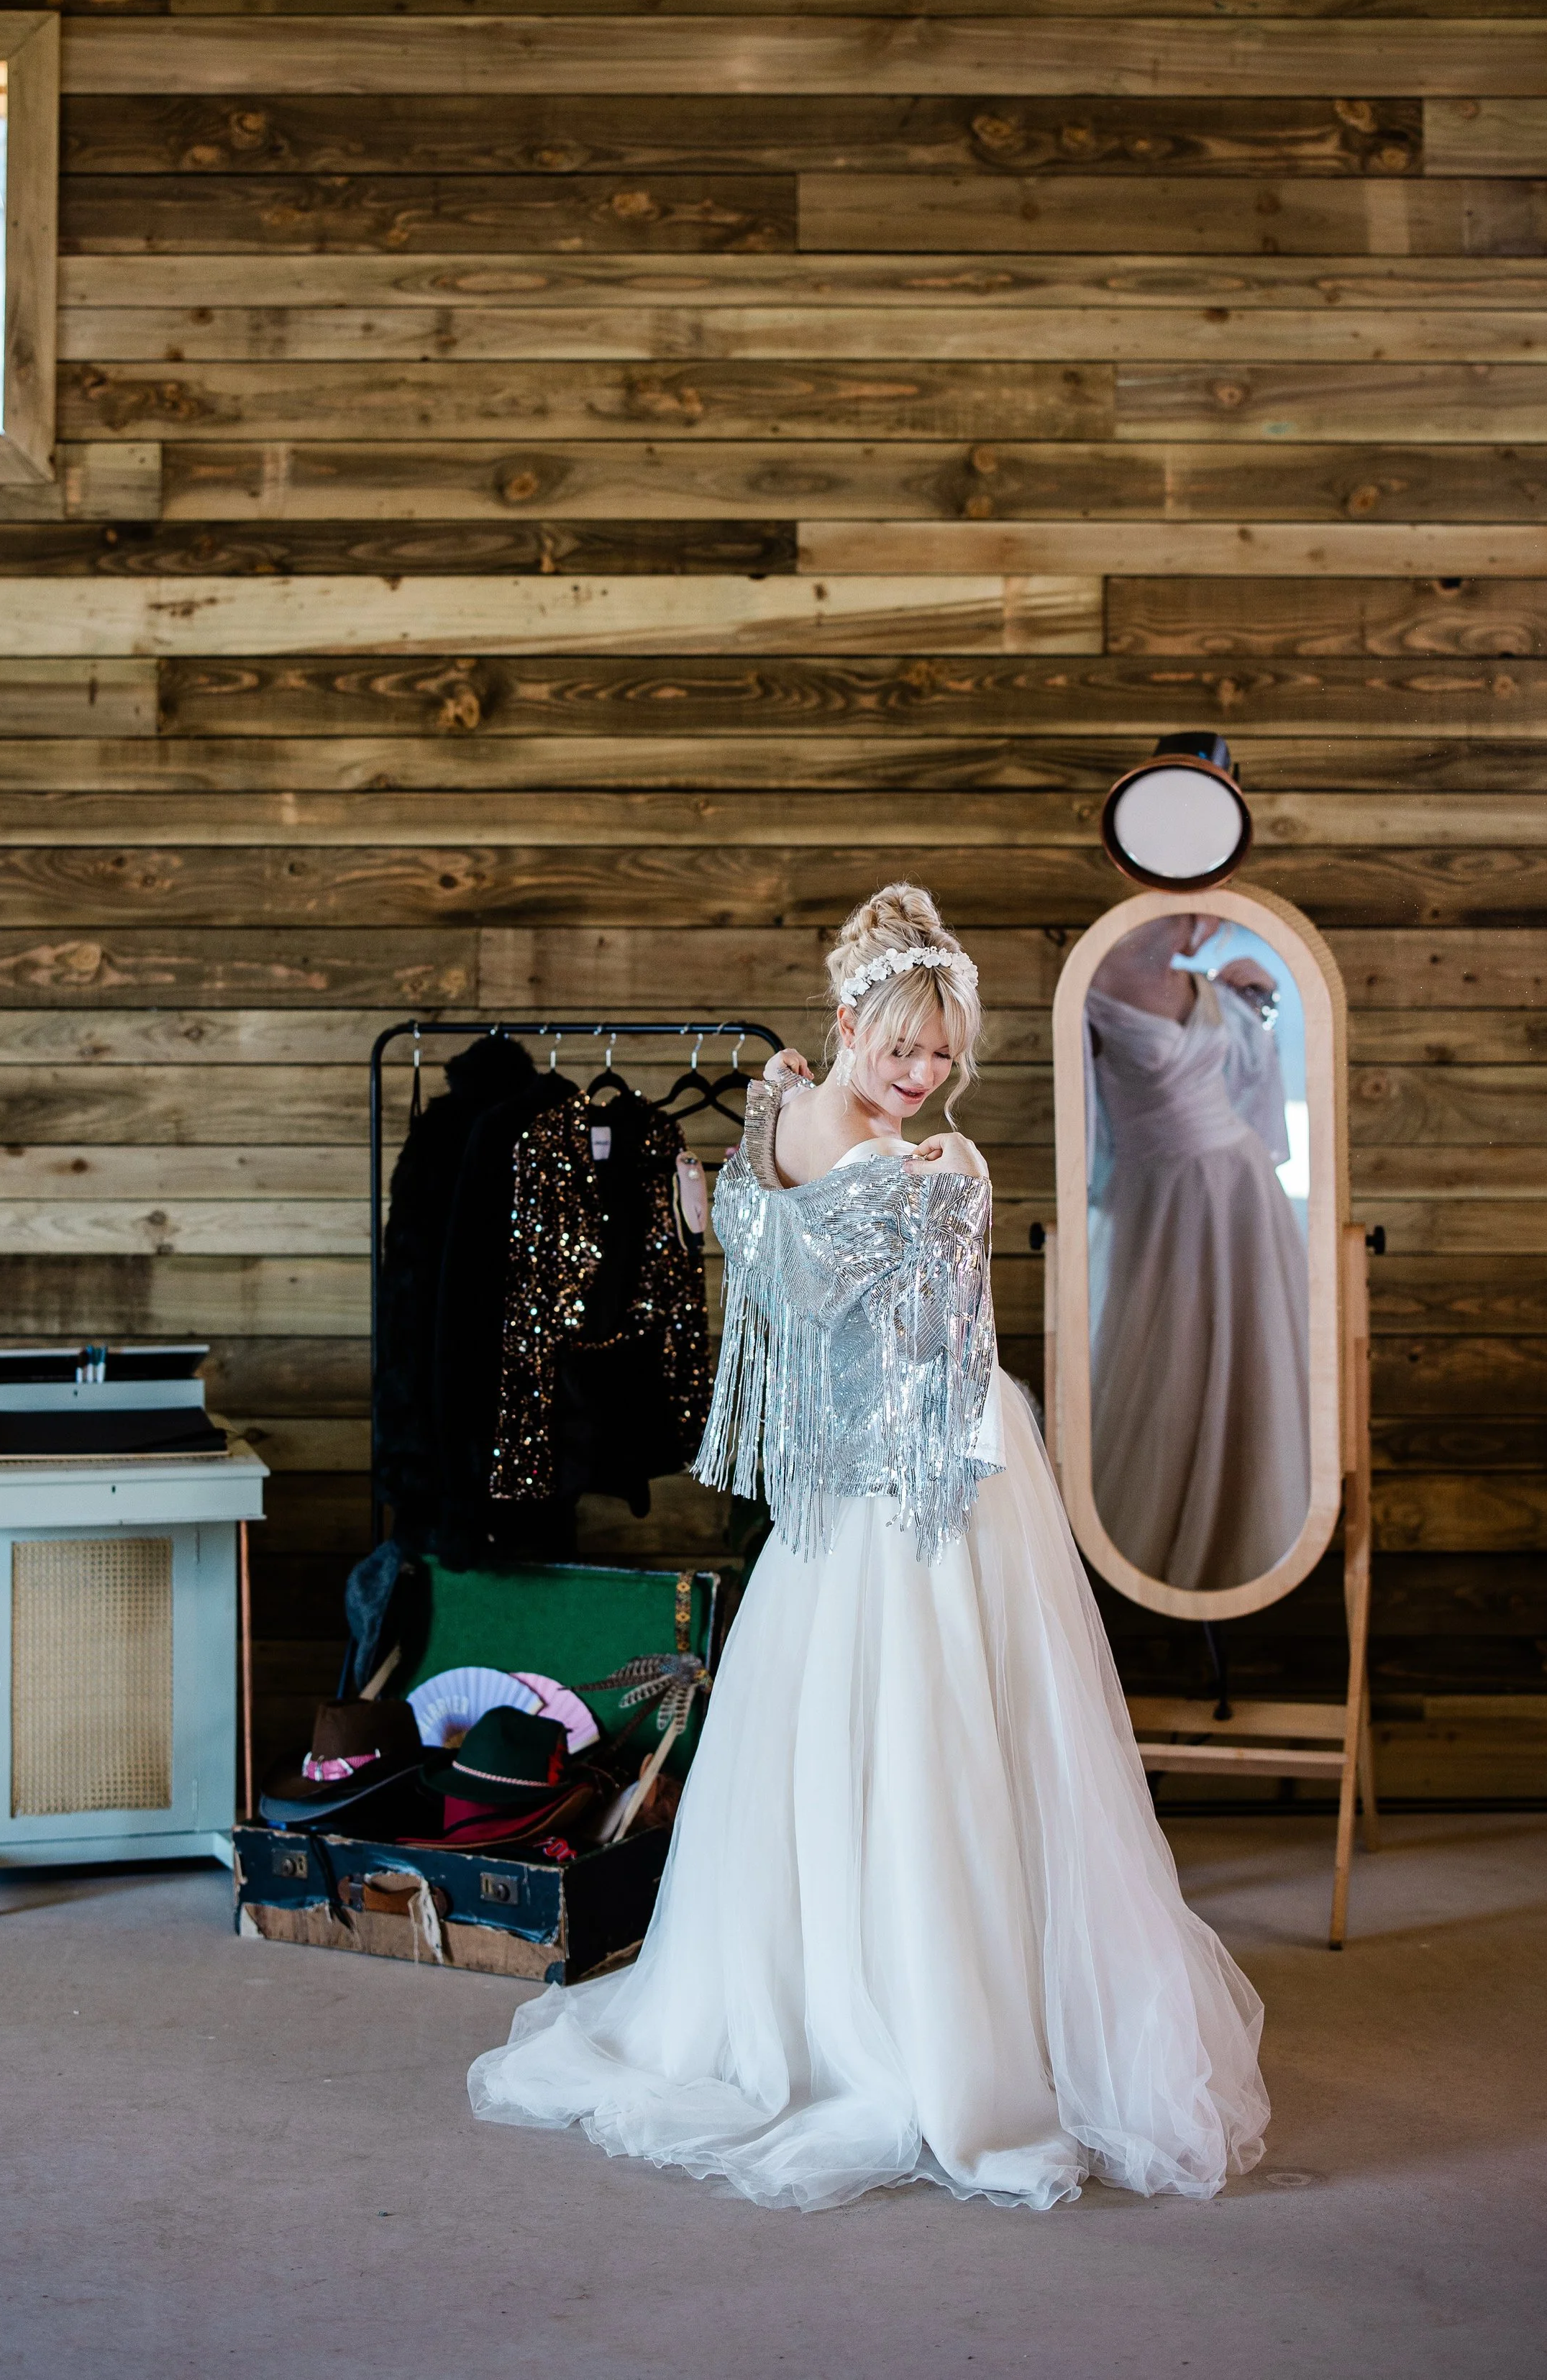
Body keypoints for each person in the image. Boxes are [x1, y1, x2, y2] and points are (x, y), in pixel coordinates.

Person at [468, 884, 1269, 2213]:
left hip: (855, 1489)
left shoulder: (782, 1119)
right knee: (937, 1741)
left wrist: (794, 1092)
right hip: (925, 1479)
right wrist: (944, 1169)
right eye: (902, 1046)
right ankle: (937, 2029)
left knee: (908, 1745)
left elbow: (770, 1224)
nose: (923, 1076)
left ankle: (923, 1992)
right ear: (849, 1019)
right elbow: (930, 1310)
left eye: (944, 1056)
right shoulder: (928, 1169)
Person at [1085, 914, 1310, 1592]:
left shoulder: (1203, 986)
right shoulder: (1090, 983)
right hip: (1164, 1198)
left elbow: (1248, 1080)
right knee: (1171, 1348)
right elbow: (1088, 1118)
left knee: (1250, 1342)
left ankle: (1254, 1522)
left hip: (1243, 1186)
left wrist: (1249, 1005)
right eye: (1205, 919)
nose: (1213, 932)